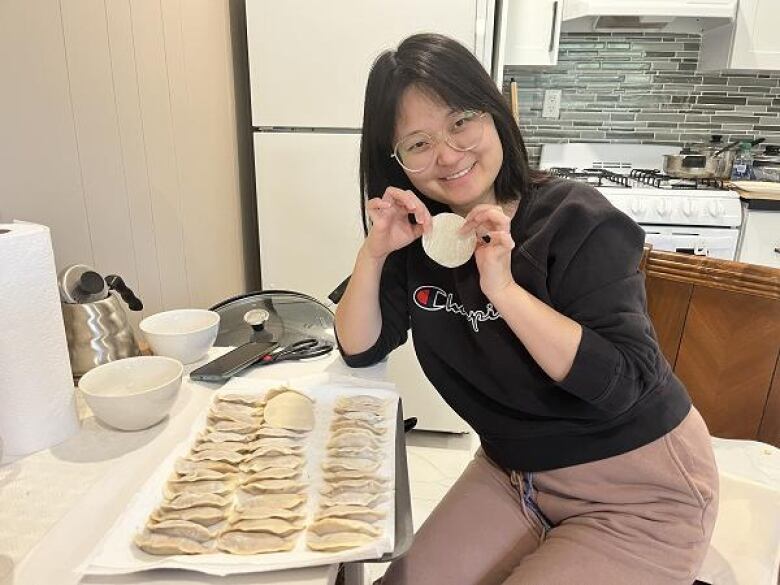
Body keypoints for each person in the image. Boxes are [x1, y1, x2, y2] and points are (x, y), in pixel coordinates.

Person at [334, 33, 718, 585]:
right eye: (417, 144)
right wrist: (372, 254)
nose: (447, 154)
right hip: (512, 472)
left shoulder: (576, 220)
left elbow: (624, 383)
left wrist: (505, 292)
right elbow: (359, 345)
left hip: (637, 488)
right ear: (396, 162)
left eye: (461, 120)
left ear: (494, 115)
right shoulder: (418, 237)